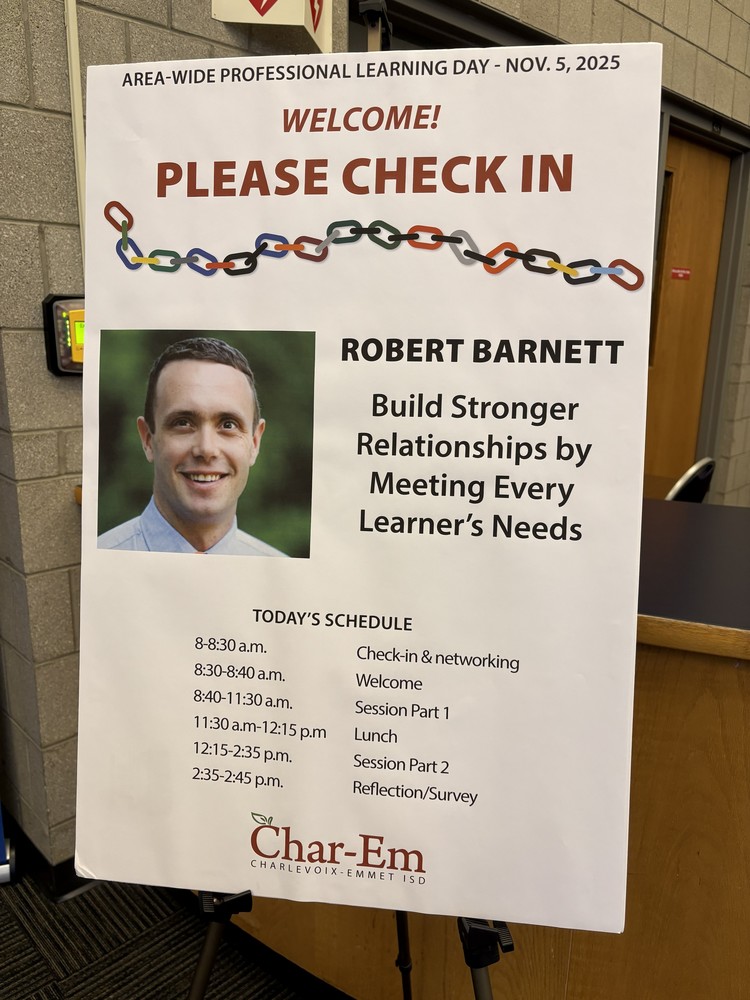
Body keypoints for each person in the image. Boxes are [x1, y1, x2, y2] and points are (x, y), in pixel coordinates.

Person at [98, 337, 285, 555]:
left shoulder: (281, 569)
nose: (206, 449)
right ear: (147, 439)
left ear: (254, 442)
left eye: (228, 424)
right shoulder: (96, 561)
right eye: (183, 423)